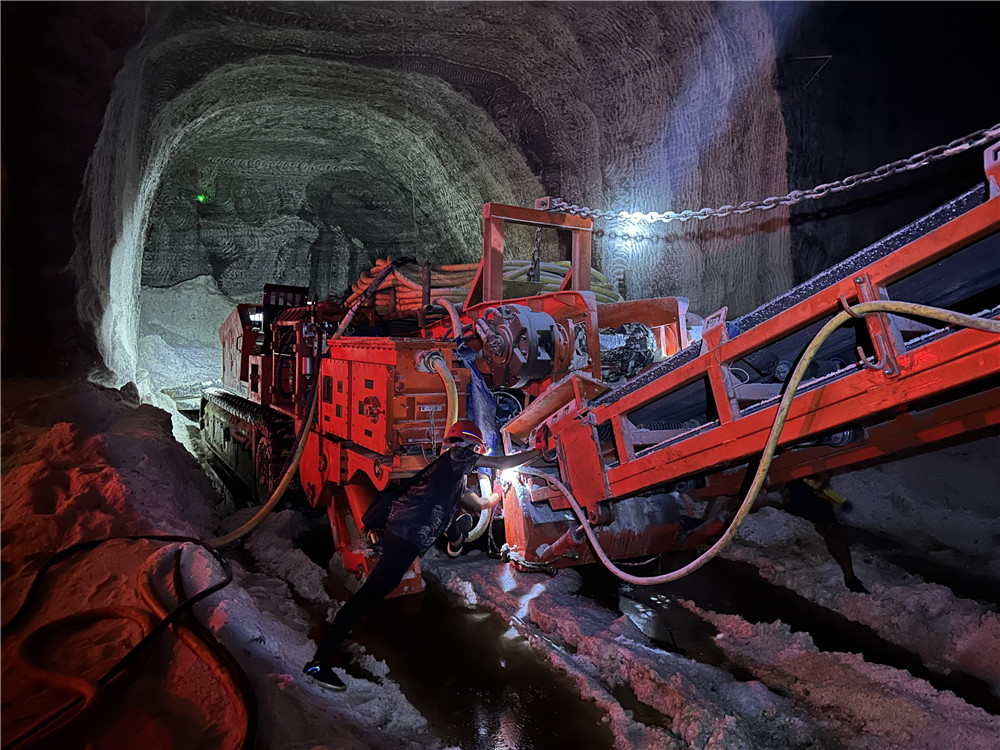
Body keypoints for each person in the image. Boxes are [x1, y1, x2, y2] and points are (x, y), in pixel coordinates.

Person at [303, 419, 541, 691]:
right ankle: (318, 663)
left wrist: (498, 493)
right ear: (470, 446)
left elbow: (479, 503)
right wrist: (538, 451)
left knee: (378, 589)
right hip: (406, 536)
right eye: (476, 449)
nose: (476, 455)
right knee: (368, 595)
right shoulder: (457, 457)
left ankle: (455, 541)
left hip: (405, 535)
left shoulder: (451, 476)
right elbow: (501, 463)